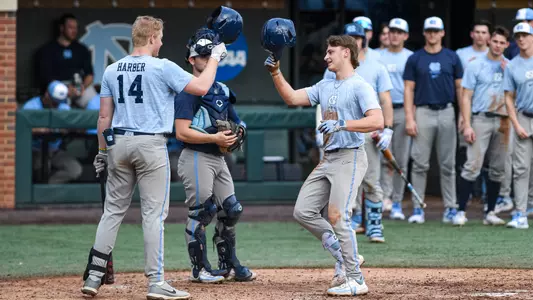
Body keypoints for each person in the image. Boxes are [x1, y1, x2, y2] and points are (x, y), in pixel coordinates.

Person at [80, 15, 227, 300]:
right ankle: (156, 282)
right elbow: (202, 87)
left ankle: (94, 275)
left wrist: (101, 152)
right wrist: (216, 58)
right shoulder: (162, 67)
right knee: (152, 216)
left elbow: (103, 118)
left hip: (118, 144)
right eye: (159, 38)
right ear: (150, 38)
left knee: (112, 212)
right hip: (150, 145)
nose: (161, 43)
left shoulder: (112, 69)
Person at [265, 32, 384, 295]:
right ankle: (343, 255)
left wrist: (343, 123)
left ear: (346, 53)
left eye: (331, 52)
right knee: (303, 211)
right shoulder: (326, 84)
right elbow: (293, 99)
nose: (326, 56)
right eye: (327, 51)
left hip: (350, 155)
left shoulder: (360, 85)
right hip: (329, 157)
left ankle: (355, 279)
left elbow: (377, 121)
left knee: (338, 216)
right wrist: (276, 73)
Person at [174, 27, 256, 284]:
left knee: (232, 210)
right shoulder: (188, 89)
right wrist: (214, 138)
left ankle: (228, 262)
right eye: (204, 55)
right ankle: (199, 269)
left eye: (212, 55)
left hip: (218, 158)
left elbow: (236, 118)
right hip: (196, 156)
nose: (210, 59)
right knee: (202, 212)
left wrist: (240, 129)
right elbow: (181, 132)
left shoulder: (221, 88)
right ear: (192, 59)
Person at [324, 22, 393, 241]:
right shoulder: (332, 66)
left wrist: (388, 129)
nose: (356, 41)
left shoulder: (377, 65)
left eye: (359, 37)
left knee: (371, 180)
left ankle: (374, 225)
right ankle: (350, 223)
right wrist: (322, 131)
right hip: (341, 131)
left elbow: (385, 99)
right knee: (345, 183)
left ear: (365, 39)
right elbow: (325, 101)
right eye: (351, 37)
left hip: (367, 130)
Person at [403, 16, 463, 224]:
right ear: (425, 33)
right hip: (423, 111)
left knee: (448, 165)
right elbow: (408, 89)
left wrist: (463, 116)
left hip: (447, 110)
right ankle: (418, 209)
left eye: (436, 31)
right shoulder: (415, 58)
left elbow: (460, 89)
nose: (432, 34)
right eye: (429, 31)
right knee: (419, 163)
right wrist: (410, 118)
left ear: (442, 33)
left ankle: (451, 208)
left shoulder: (452, 57)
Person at [453, 26, 511, 226]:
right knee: (472, 166)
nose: (498, 45)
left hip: (504, 121)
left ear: (507, 45)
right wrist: (467, 124)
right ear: (489, 41)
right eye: (495, 41)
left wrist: (508, 73)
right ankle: (460, 211)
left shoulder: (510, 66)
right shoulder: (475, 65)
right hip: (481, 118)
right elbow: (466, 96)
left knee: (498, 169)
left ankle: (491, 212)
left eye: (502, 43)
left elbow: (517, 97)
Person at [377, 18, 413, 220]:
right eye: (392, 31)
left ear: (406, 36)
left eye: (399, 32)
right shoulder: (377, 56)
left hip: (401, 109)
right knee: (381, 159)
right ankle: (382, 199)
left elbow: (413, 89)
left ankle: (397, 202)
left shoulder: (411, 57)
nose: (395, 35)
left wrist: (411, 116)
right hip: (380, 111)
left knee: (400, 159)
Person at [22, 80, 83, 184]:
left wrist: (67, 128)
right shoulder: (31, 106)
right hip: (35, 151)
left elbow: (79, 126)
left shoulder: (63, 107)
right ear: (47, 95)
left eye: (58, 102)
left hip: (55, 151)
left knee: (75, 170)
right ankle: (42, 187)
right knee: (39, 172)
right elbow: (20, 128)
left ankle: (49, 186)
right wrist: (37, 129)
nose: (56, 105)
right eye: (54, 102)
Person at [503, 22, 533, 229]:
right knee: (521, 168)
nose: (521, 39)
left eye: (525, 35)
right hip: (523, 117)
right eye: (518, 36)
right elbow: (508, 98)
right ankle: (520, 213)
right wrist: (515, 124)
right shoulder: (512, 65)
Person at [35, 13, 96, 108]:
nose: (74, 31)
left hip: (78, 87)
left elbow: (90, 75)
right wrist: (66, 89)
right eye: (71, 27)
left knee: (97, 104)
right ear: (62, 28)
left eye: (76, 28)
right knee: (63, 108)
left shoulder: (82, 49)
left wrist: (82, 87)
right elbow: (46, 77)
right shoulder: (48, 49)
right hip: (59, 88)